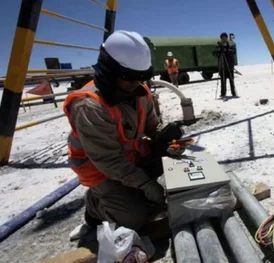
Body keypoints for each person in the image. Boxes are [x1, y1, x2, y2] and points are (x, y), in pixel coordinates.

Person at [63, 30, 187, 233]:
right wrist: (147, 185)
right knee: (133, 219)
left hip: (129, 160)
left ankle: (129, 193)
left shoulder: (139, 91)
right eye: (130, 79)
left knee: (169, 159)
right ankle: (95, 205)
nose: (136, 84)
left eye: (140, 79)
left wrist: (166, 137)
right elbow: (108, 161)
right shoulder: (89, 105)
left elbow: (152, 126)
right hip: (100, 170)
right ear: (110, 71)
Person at [213, 32, 237, 98]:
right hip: (222, 65)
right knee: (223, 81)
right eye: (222, 38)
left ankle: (234, 92)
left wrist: (226, 50)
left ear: (227, 38)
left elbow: (233, 52)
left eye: (225, 37)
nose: (224, 39)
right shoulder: (219, 45)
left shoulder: (231, 44)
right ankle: (223, 93)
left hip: (229, 65)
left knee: (231, 80)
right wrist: (219, 50)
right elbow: (215, 53)